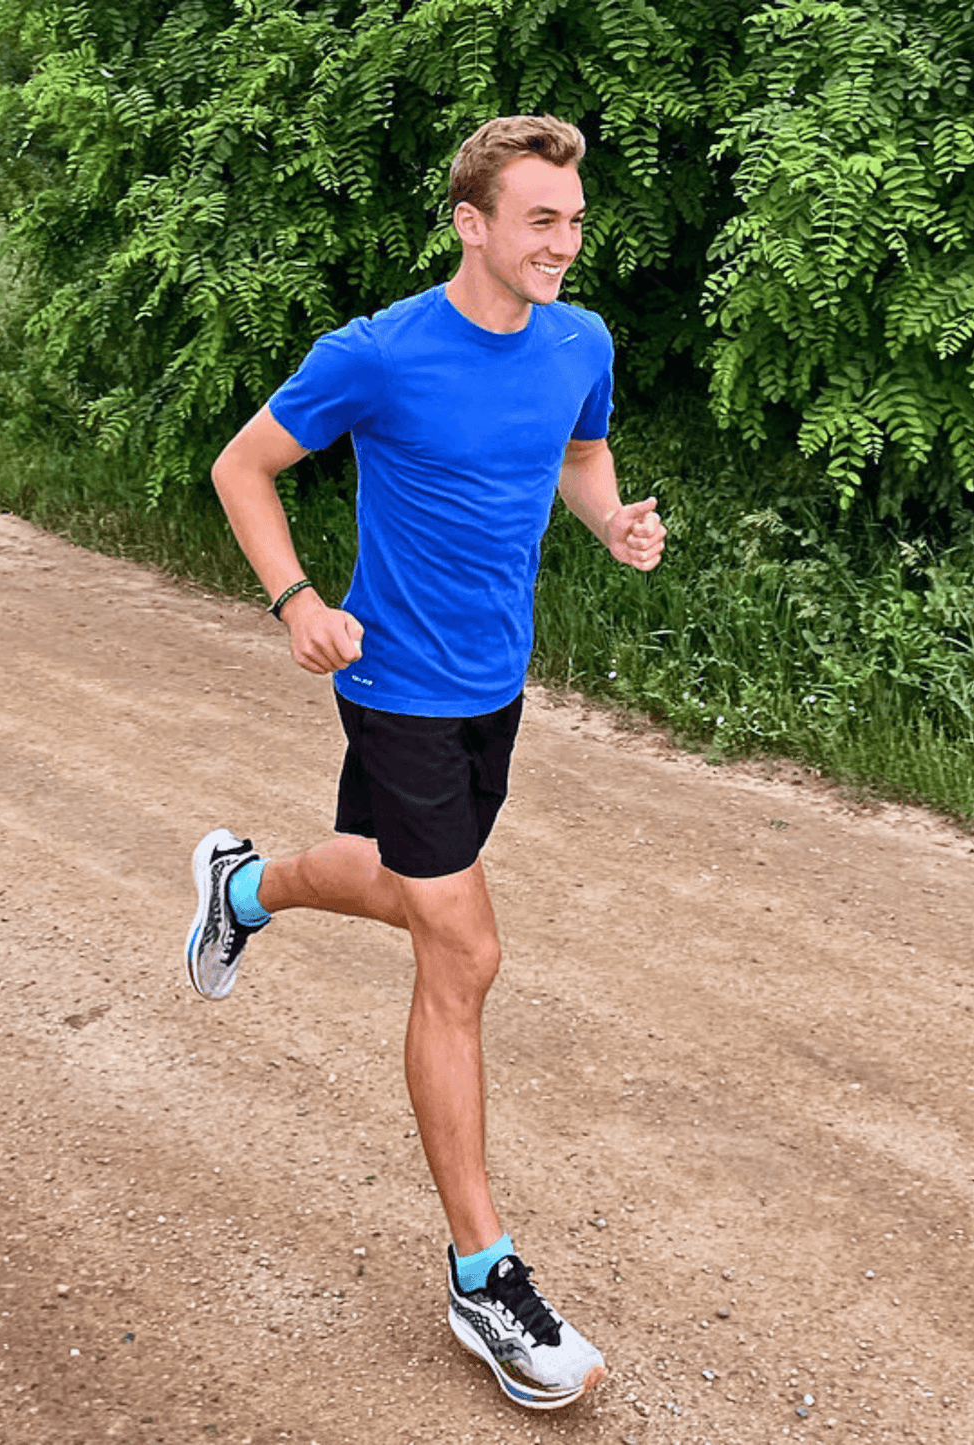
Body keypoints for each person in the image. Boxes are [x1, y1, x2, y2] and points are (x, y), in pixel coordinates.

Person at [185, 114, 666, 1412]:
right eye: (539, 221)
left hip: (493, 688)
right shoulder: (381, 354)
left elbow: (575, 451)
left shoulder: (580, 341)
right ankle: (481, 1273)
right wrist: (294, 601)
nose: (563, 243)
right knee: (462, 947)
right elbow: (244, 466)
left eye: (572, 220)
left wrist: (610, 519)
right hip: (391, 683)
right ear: (474, 223)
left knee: (406, 884)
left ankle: (238, 890)